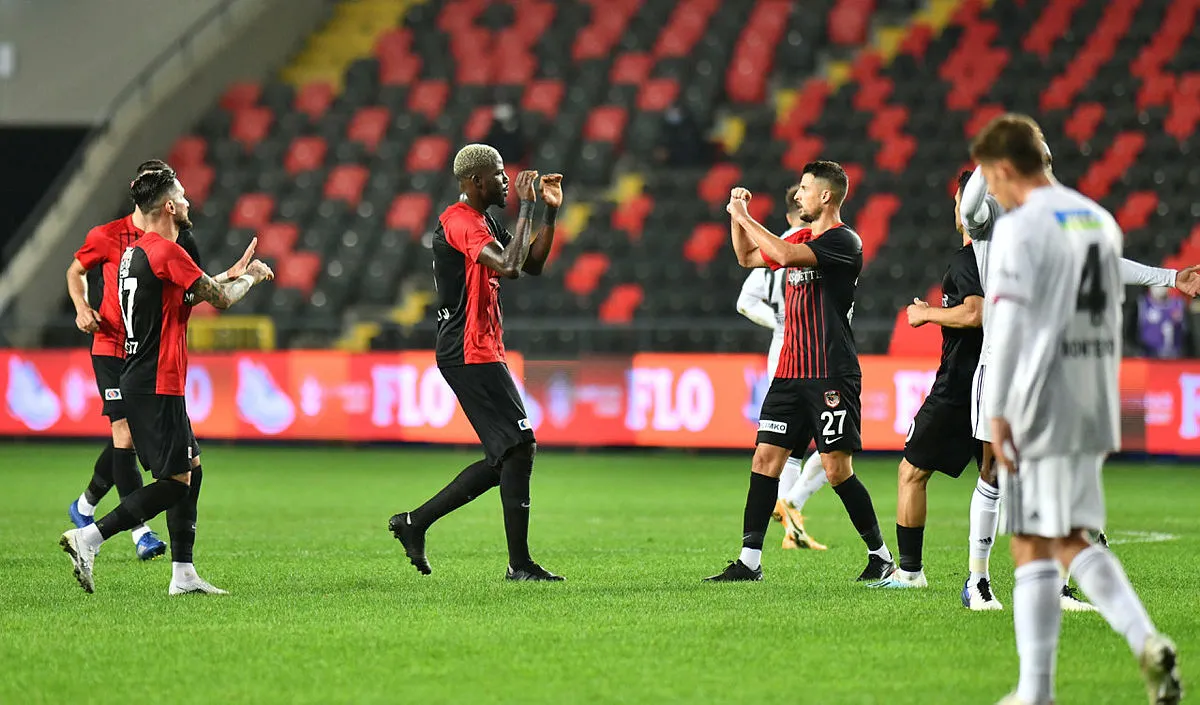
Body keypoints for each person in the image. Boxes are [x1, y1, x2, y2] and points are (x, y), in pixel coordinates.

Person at [972, 113, 1181, 705]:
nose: (992, 192)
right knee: (1069, 537)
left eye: (991, 179)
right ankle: (1146, 640)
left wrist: (1001, 409)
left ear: (1007, 168)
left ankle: (1035, 692)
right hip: (1094, 397)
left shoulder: (1020, 227)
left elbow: (1006, 320)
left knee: (1031, 544)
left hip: (1039, 397)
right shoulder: (1097, 219)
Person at [959, 151, 1200, 612]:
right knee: (992, 472)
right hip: (1002, 364)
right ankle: (977, 582)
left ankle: (1056, 586)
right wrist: (988, 163)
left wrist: (1170, 277)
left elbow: (1105, 264)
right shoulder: (994, 216)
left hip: (1051, 366)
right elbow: (969, 212)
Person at [59, 168, 274, 594]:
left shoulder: (138, 253)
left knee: (192, 469)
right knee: (175, 483)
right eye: (183, 195)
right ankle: (88, 537)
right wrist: (252, 277)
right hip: (156, 379)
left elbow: (186, 294)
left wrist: (225, 275)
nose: (190, 201)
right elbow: (223, 301)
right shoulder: (167, 253)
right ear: (170, 207)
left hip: (148, 376)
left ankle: (184, 573)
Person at [706, 161, 893, 582]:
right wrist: (737, 219)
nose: (798, 195)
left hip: (829, 372)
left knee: (835, 470)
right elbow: (747, 256)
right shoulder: (800, 234)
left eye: (805, 189)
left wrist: (745, 217)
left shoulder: (844, 241)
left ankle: (880, 556)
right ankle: (749, 562)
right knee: (765, 459)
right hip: (790, 371)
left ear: (826, 196)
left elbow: (785, 255)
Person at [388, 143, 565, 581]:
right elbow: (507, 265)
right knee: (520, 446)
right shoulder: (460, 222)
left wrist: (548, 213)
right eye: (501, 175)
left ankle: (415, 522)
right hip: (466, 349)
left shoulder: (483, 220)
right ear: (476, 181)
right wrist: (525, 205)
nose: (508, 181)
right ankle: (518, 565)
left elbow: (531, 265)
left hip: (480, 346)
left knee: (505, 455)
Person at [868, 171, 989, 599]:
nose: (955, 209)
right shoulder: (1008, 259)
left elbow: (975, 313)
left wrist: (928, 314)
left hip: (960, 386)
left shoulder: (967, 260)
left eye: (959, 201)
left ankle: (911, 571)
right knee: (1005, 484)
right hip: (998, 381)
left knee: (911, 471)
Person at [735, 182, 827, 551]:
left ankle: (793, 527)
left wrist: (777, 323)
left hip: (783, 351)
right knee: (828, 443)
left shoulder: (776, 243)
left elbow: (745, 301)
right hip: (809, 353)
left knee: (787, 445)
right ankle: (794, 508)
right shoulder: (797, 243)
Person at [1136, 286, 1187, 358]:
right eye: (1155, 285)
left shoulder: (1178, 304)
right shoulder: (1143, 303)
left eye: (1162, 285)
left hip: (1174, 358)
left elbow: (1187, 334)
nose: (1159, 288)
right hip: (1149, 357)